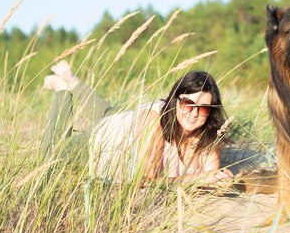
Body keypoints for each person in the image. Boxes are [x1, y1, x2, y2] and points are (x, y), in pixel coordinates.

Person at [42, 61, 234, 185]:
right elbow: (146, 180)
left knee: (111, 115)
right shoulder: (155, 123)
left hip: (126, 125)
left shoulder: (210, 133)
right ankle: (62, 89)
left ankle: (72, 79)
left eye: (203, 108)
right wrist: (199, 179)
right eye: (187, 103)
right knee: (51, 155)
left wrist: (220, 182)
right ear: (175, 101)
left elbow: (211, 176)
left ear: (211, 111)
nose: (194, 113)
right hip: (102, 141)